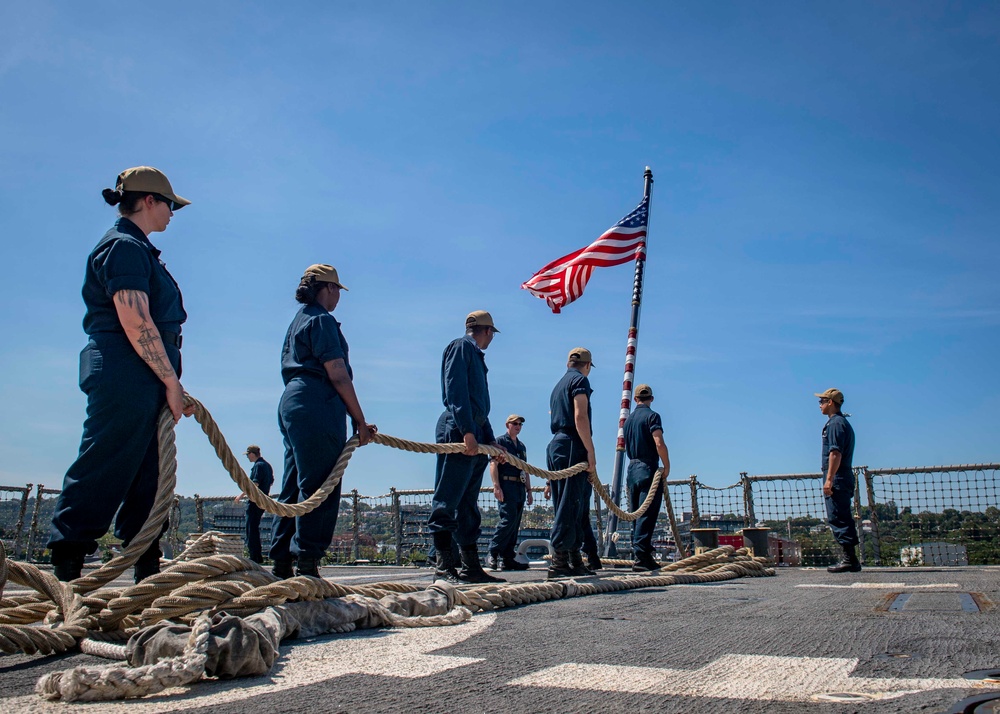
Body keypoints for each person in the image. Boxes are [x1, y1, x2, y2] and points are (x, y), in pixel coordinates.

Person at [48, 166, 194, 583]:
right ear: (149, 201)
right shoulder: (123, 246)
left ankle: (145, 567)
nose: (171, 213)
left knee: (148, 471)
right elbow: (136, 319)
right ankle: (68, 568)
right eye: (169, 205)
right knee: (107, 460)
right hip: (126, 368)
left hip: (142, 370)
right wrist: (170, 381)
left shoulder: (139, 248)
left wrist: (166, 378)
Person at [269, 265, 375, 578]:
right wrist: (360, 421)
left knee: (293, 485)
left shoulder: (297, 321)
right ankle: (307, 565)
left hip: (292, 400)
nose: (339, 297)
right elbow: (338, 373)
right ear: (327, 289)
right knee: (320, 486)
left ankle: (281, 564)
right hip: (317, 402)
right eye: (337, 291)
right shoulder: (322, 320)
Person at [427, 311, 506, 584]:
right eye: (492, 335)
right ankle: (443, 567)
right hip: (458, 430)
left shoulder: (473, 354)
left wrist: (491, 439)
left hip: (473, 429)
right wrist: (467, 431)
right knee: (448, 498)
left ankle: (470, 566)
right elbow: (456, 391)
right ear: (486, 331)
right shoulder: (461, 347)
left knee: (467, 503)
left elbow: (477, 405)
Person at [546, 347, 598, 579]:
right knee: (571, 504)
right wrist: (590, 451)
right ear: (587, 365)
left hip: (557, 444)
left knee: (570, 503)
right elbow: (580, 415)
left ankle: (574, 558)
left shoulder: (558, 385)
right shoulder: (580, 382)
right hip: (572, 444)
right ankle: (559, 561)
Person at [622, 384, 671, 572]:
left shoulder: (627, 422)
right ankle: (643, 556)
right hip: (648, 467)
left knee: (636, 514)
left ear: (635, 399)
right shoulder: (652, 416)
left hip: (632, 469)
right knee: (647, 514)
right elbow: (659, 442)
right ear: (651, 398)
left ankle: (639, 554)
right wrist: (666, 466)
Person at [816, 388, 860, 573]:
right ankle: (850, 558)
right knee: (842, 516)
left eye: (822, 401)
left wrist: (829, 479)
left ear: (830, 403)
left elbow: (835, 452)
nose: (820, 405)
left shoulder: (835, 424)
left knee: (838, 517)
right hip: (843, 476)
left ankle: (849, 559)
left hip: (838, 478)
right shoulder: (842, 423)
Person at [486, 414, 533, 571]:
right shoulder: (500, 443)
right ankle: (492, 553)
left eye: (520, 424)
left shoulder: (522, 447)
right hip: (506, 485)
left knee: (515, 523)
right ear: (508, 425)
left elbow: (525, 469)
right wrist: (496, 486)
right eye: (515, 423)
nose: (518, 426)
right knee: (507, 519)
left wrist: (529, 490)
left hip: (519, 487)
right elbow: (493, 464)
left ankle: (507, 557)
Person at [234, 445, 274, 563]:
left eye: (247, 455)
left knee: (251, 529)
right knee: (254, 528)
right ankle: (257, 556)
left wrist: (240, 496)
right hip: (263, 500)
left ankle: (254, 557)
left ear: (252, 453)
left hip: (255, 501)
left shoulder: (258, 466)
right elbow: (270, 482)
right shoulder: (267, 465)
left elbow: (254, 484)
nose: (247, 457)